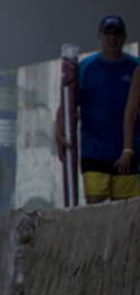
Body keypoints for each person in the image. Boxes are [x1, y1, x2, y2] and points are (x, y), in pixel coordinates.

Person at [57, 15, 138, 202]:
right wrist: (58, 131)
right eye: (108, 33)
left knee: (126, 216)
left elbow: (132, 111)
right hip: (94, 152)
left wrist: (128, 149)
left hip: (129, 153)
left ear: (125, 37)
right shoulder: (85, 67)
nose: (112, 38)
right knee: (96, 211)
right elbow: (68, 103)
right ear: (99, 37)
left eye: (117, 34)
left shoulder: (135, 68)